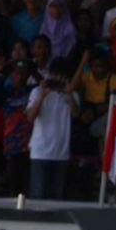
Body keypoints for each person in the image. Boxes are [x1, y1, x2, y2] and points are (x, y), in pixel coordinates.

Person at [26, 57, 78, 200]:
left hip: (61, 152)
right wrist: (42, 95)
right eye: (54, 76)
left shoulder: (72, 95)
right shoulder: (37, 92)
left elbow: (76, 114)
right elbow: (30, 117)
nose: (57, 79)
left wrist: (68, 93)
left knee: (57, 196)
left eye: (60, 77)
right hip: (40, 151)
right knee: (37, 195)